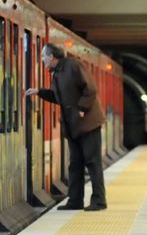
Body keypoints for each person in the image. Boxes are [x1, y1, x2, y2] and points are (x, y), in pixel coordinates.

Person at [25, 43, 107, 211]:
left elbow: (90, 88)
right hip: (73, 126)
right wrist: (39, 92)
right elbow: (58, 97)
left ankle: (99, 201)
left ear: (51, 57)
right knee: (75, 163)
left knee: (92, 162)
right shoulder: (57, 73)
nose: (41, 60)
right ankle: (75, 201)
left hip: (88, 123)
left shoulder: (73, 66)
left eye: (43, 56)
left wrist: (82, 109)